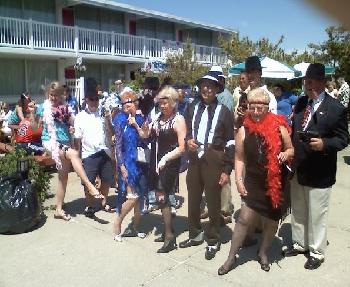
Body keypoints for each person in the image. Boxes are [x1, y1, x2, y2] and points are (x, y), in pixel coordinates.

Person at [218, 87, 293, 275]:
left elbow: (291, 149)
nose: (257, 112)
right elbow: (240, 158)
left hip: (275, 183)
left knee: (271, 222)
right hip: (253, 181)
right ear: (248, 107)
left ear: (268, 107)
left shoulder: (279, 126)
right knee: (243, 220)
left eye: (261, 107)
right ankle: (231, 257)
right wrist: (238, 180)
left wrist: (285, 153)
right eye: (253, 107)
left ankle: (263, 252)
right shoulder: (243, 130)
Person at [283, 64, 349, 270]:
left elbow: (343, 139)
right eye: (306, 80)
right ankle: (300, 243)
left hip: (320, 170)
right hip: (299, 167)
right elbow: (295, 128)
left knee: (317, 214)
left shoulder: (336, 108)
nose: (307, 83)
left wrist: (324, 144)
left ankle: (317, 252)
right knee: (299, 210)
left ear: (323, 82)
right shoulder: (302, 102)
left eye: (311, 80)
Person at [180, 74, 234, 260]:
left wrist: (227, 169)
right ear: (200, 87)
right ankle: (195, 234)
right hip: (195, 158)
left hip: (214, 158)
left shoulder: (225, 111)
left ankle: (213, 239)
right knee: (194, 199)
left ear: (217, 89)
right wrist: (188, 141)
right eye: (204, 86)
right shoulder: (192, 107)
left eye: (211, 87)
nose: (207, 90)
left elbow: (230, 142)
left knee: (213, 202)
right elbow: (185, 131)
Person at [40, 81, 102, 221]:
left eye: (56, 95)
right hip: (51, 142)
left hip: (65, 142)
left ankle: (58, 209)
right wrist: (32, 115)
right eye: (51, 95)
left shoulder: (66, 109)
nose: (53, 98)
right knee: (74, 154)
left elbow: (71, 126)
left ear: (62, 95)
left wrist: (72, 130)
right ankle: (89, 185)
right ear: (48, 95)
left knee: (63, 178)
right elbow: (34, 121)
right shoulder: (44, 107)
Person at [137, 86, 186, 252]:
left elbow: (182, 147)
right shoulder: (158, 118)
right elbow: (146, 136)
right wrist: (143, 131)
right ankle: (167, 232)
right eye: (160, 103)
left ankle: (170, 236)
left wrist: (165, 159)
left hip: (169, 163)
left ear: (173, 103)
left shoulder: (178, 120)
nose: (163, 106)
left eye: (166, 103)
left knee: (162, 197)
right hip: (156, 161)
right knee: (161, 197)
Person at [74, 79, 115, 218]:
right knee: (89, 182)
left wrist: (108, 120)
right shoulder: (79, 117)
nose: (94, 102)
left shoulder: (103, 114)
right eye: (92, 99)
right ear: (86, 100)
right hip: (89, 154)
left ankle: (103, 202)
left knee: (107, 180)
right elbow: (77, 140)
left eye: (97, 99)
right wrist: (78, 158)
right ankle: (90, 205)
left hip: (105, 151)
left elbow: (111, 132)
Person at [112, 89, 148, 242]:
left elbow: (146, 138)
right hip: (127, 163)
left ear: (135, 103)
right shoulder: (120, 120)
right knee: (132, 197)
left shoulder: (141, 119)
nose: (126, 106)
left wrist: (136, 125)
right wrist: (121, 166)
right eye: (124, 104)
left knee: (139, 199)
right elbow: (118, 145)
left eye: (129, 103)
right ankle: (117, 224)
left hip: (141, 162)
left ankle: (135, 228)